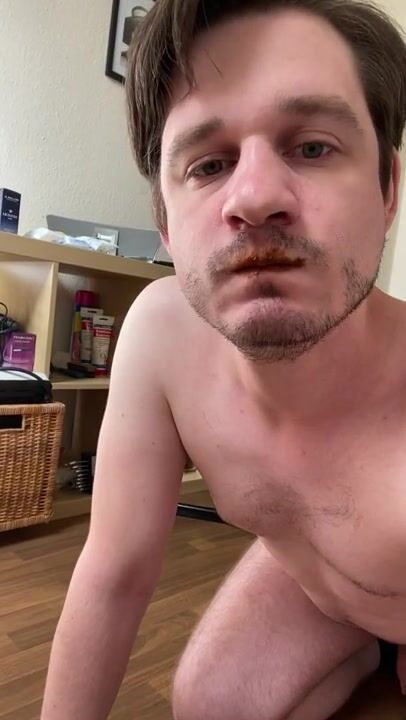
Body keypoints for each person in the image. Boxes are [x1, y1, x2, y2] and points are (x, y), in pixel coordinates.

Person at [41, 1, 406, 718]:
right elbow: (113, 575)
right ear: (164, 221)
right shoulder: (159, 336)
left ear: (387, 189)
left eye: (313, 148)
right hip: (317, 593)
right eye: (209, 164)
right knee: (210, 703)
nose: (256, 198)